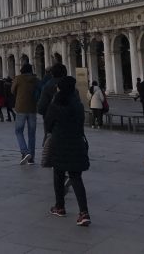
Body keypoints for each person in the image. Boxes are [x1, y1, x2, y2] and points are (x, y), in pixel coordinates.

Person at [46, 76, 91, 227]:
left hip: (59, 143)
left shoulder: (55, 104)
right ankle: (84, 212)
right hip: (77, 142)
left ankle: (60, 207)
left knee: (58, 175)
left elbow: (48, 125)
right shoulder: (78, 105)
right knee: (76, 177)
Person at [12, 59, 40, 165]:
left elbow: (12, 90)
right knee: (32, 134)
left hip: (21, 108)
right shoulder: (36, 79)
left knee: (19, 131)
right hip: (32, 108)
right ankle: (31, 158)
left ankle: (25, 151)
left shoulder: (18, 79)